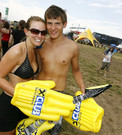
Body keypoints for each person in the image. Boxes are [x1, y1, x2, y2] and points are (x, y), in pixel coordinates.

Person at [36, 5, 86, 135]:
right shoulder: (41, 43)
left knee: (54, 130)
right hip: (39, 92)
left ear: (65, 24)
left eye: (57, 23)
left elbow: (76, 70)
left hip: (59, 95)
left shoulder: (73, 47)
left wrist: (81, 86)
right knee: (34, 128)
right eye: (49, 23)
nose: (53, 28)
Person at [0, 16, 46, 135]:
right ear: (26, 31)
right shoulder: (17, 51)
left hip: (25, 104)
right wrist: (18, 94)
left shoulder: (36, 51)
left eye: (43, 32)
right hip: (10, 103)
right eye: (35, 31)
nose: (39, 36)